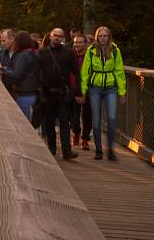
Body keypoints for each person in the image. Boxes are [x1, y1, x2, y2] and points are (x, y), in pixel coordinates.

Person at [81, 26, 126, 161]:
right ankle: (99, 150)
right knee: (96, 120)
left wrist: (122, 92)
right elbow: (85, 72)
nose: (103, 38)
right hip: (95, 88)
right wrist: (83, 91)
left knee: (112, 118)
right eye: (100, 36)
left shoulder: (115, 51)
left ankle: (110, 149)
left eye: (105, 35)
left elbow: (119, 71)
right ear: (97, 37)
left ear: (109, 37)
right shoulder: (91, 51)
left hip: (111, 88)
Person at [38, 28, 83, 160]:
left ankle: (66, 151)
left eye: (60, 36)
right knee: (49, 123)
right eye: (55, 35)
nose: (57, 38)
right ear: (50, 36)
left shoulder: (68, 53)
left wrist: (78, 92)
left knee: (64, 123)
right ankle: (51, 149)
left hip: (62, 93)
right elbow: (36, 71)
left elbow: (76, 73)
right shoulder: (43, 52)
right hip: (47, 93)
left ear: (63, 38)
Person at [0, 31, 40, 120]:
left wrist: (3, 69)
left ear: (19, 42)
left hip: (24, 95)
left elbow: (16, 74)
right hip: (33, 94)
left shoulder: (23, 55)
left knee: (24, 125)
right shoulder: (34, 53)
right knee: (29, 124)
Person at [71, 34, 93, 150]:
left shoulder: (90, 56)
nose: (77, 44)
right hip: (73, 89)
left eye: (80, 42)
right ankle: (76, 132)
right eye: (76, 42)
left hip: (88, 89)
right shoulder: (70, 55)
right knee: (73, 115)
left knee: (87, 115)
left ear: (85, 44)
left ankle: (85, 139)